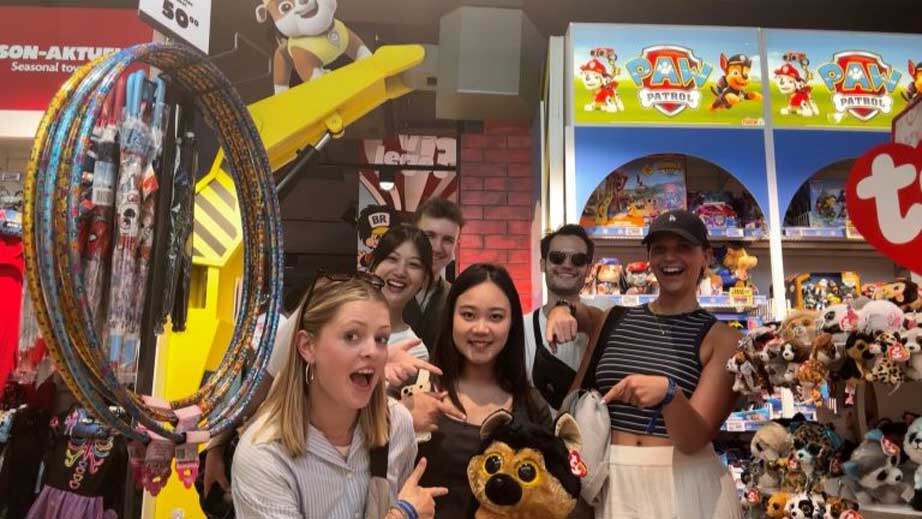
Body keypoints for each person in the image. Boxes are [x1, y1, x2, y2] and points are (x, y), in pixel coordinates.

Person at [547, 210, 743, 519]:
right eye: (659, 249)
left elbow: (694, 439)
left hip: (685, 485)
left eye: (683, 247)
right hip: (612, 482)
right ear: (649, 257)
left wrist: (669, 394)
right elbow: (578, 313)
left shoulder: (723, 339)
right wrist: (561, 309)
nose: (670, 258)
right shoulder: (614, 318)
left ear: (706, 256)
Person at [231, 275, 447, 519]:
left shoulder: (396, 425)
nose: (372, 352)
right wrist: (403, 514)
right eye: (351, 336)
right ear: (307, 346)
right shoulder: (264, 455)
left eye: (381, 339)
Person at [412, 263, 551, 519]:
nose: (481, 329)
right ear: (450, 318)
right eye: (468, 315)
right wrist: (399, 415)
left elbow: (547, 496)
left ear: (512, 324)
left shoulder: (532, 406)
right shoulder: (416, 389)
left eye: (495, 317)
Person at [524, 224, 602, 412]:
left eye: (578, 259)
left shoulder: (603, 320)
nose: (567, 265)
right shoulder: (521, 328)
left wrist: (564, 308)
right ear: (542, 264)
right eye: (557, 257)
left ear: (589, 269)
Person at [404, 198, 464, 352]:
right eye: (429, 235)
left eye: (448, 240)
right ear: (412, 236)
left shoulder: (457, 298)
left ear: (456, 246)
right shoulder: (382, 292)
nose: (437, 247)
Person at [368, 225, 434, 364]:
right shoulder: (339, 319)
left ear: (423, 280)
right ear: (374, 265)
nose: (400, 272)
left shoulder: (415, 351)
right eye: (392, 259)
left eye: (413, 264)